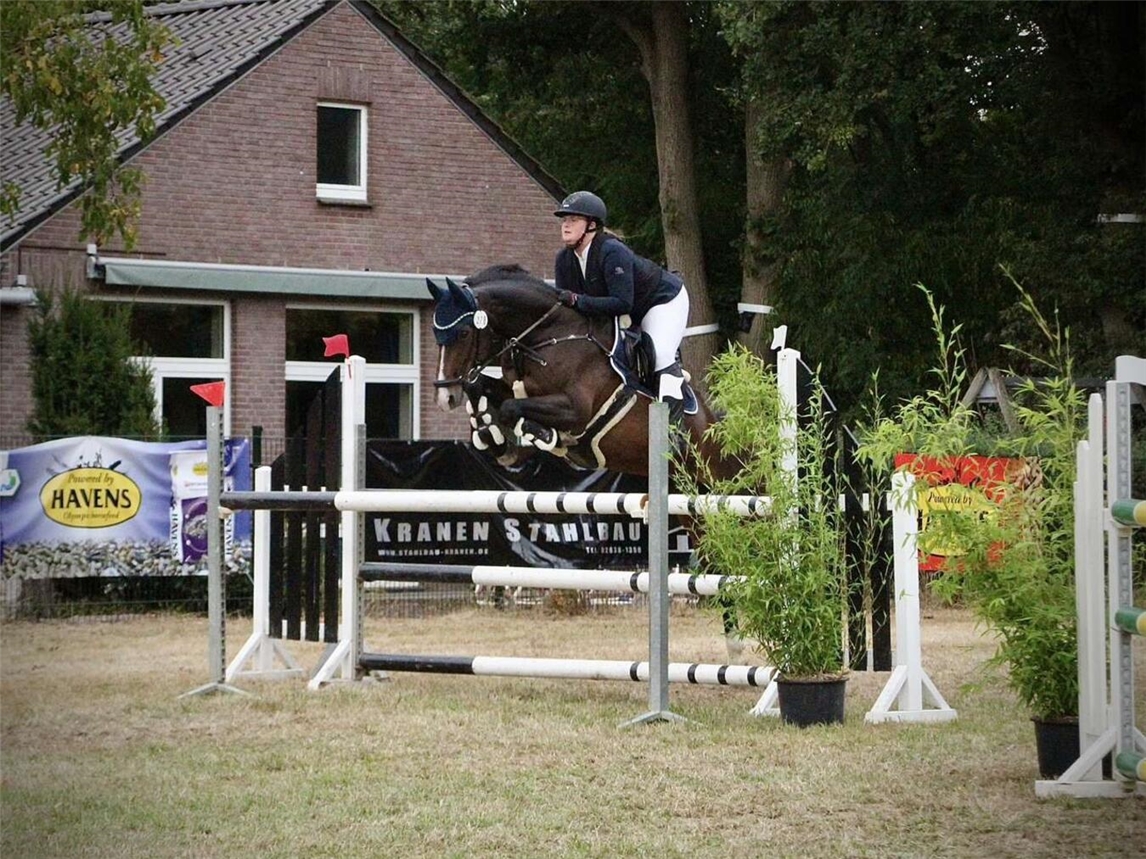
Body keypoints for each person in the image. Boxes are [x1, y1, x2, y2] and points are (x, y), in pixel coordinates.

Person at [552, 191, 690, 417]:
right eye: (564, 220)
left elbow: (622, 303)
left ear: (592, 225)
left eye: (573, 220)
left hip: (661, 301)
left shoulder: (611, 251)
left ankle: (673, 434)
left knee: (660, 355)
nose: (565, 226)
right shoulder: (564, 260)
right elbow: (569, 309)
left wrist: (578, 300)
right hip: (625, 311)